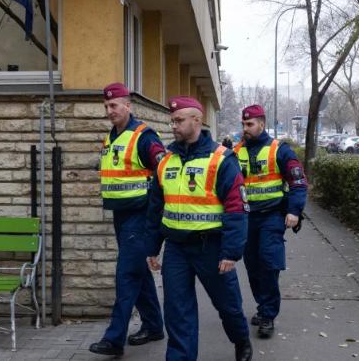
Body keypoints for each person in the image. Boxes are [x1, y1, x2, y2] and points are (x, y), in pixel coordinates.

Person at [146, 96, 253, 361]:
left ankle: (241, 340)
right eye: (172, 121)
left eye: (179, 120)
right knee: (177, 311)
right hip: (177, 249)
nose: (174, 125)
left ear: (197, 119)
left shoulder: (221, 159)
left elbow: (236, 208)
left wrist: (231, 252)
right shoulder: (166, 160)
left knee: (228, 306)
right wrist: (152, 247)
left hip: (213, 248)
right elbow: (156, 208)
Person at [89, 82, 165, 357]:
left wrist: (155, 211)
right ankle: (154, 325)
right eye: (107, 106)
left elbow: (164, 169)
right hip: (121, 215)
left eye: (114, 105)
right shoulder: (113, 136)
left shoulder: (143, 136)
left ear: (128, 105)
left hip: (140, 215)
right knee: (138, 272)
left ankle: (114, 339)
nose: (110, 111)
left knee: (127, 275)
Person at [234, 104, 308, 339]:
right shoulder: (236, 152)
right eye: (243, 124)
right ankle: (262, 305)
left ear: (262, 124)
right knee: (252, 265)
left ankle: (267, 315)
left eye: (250, 124)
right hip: (247, 219)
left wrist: (294, 211)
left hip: (272, 216)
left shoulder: (280, 151)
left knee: (268, 264)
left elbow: (298, 182)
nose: (245, 128)